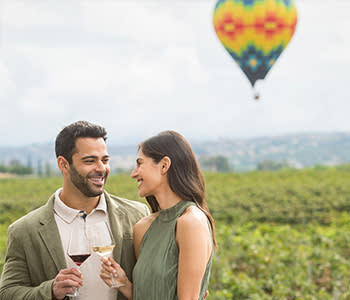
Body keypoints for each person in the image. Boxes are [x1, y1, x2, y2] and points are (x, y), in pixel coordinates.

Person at [0, 120, 149, 300]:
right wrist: (51, 291)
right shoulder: (24, 231)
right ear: (63, 164)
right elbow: (7, 293)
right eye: (90, 161)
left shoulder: (138, 216)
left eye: (105, 160)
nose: (101, 168)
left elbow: (155, 285)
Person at [100, 130, 217, 300]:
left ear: (164, 165)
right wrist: (123, 283)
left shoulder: (191, 222)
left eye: (140, 163)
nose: (134, 173)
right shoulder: (143, 228)